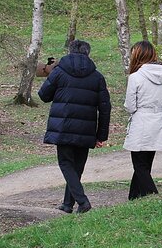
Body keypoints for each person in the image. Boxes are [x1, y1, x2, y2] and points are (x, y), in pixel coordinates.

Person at [38, 40, 111, 214]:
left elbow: (43, 95)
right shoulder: (97, 77)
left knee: (66, 163)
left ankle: (82, 202)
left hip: (62, 126)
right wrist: (101, 135)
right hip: (86, 130)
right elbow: (105, 108)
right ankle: (67, 204)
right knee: (76, 167)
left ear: (69, 52)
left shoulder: (59, 73)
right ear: (88, 54)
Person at [123, 41, 162, 200]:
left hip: (141, 122)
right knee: (145, 165)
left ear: (137, 55)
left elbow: (130, 106)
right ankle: (133, 198)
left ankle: (154, 196)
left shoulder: (135, 77)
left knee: (139, 165)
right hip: (158, 121)